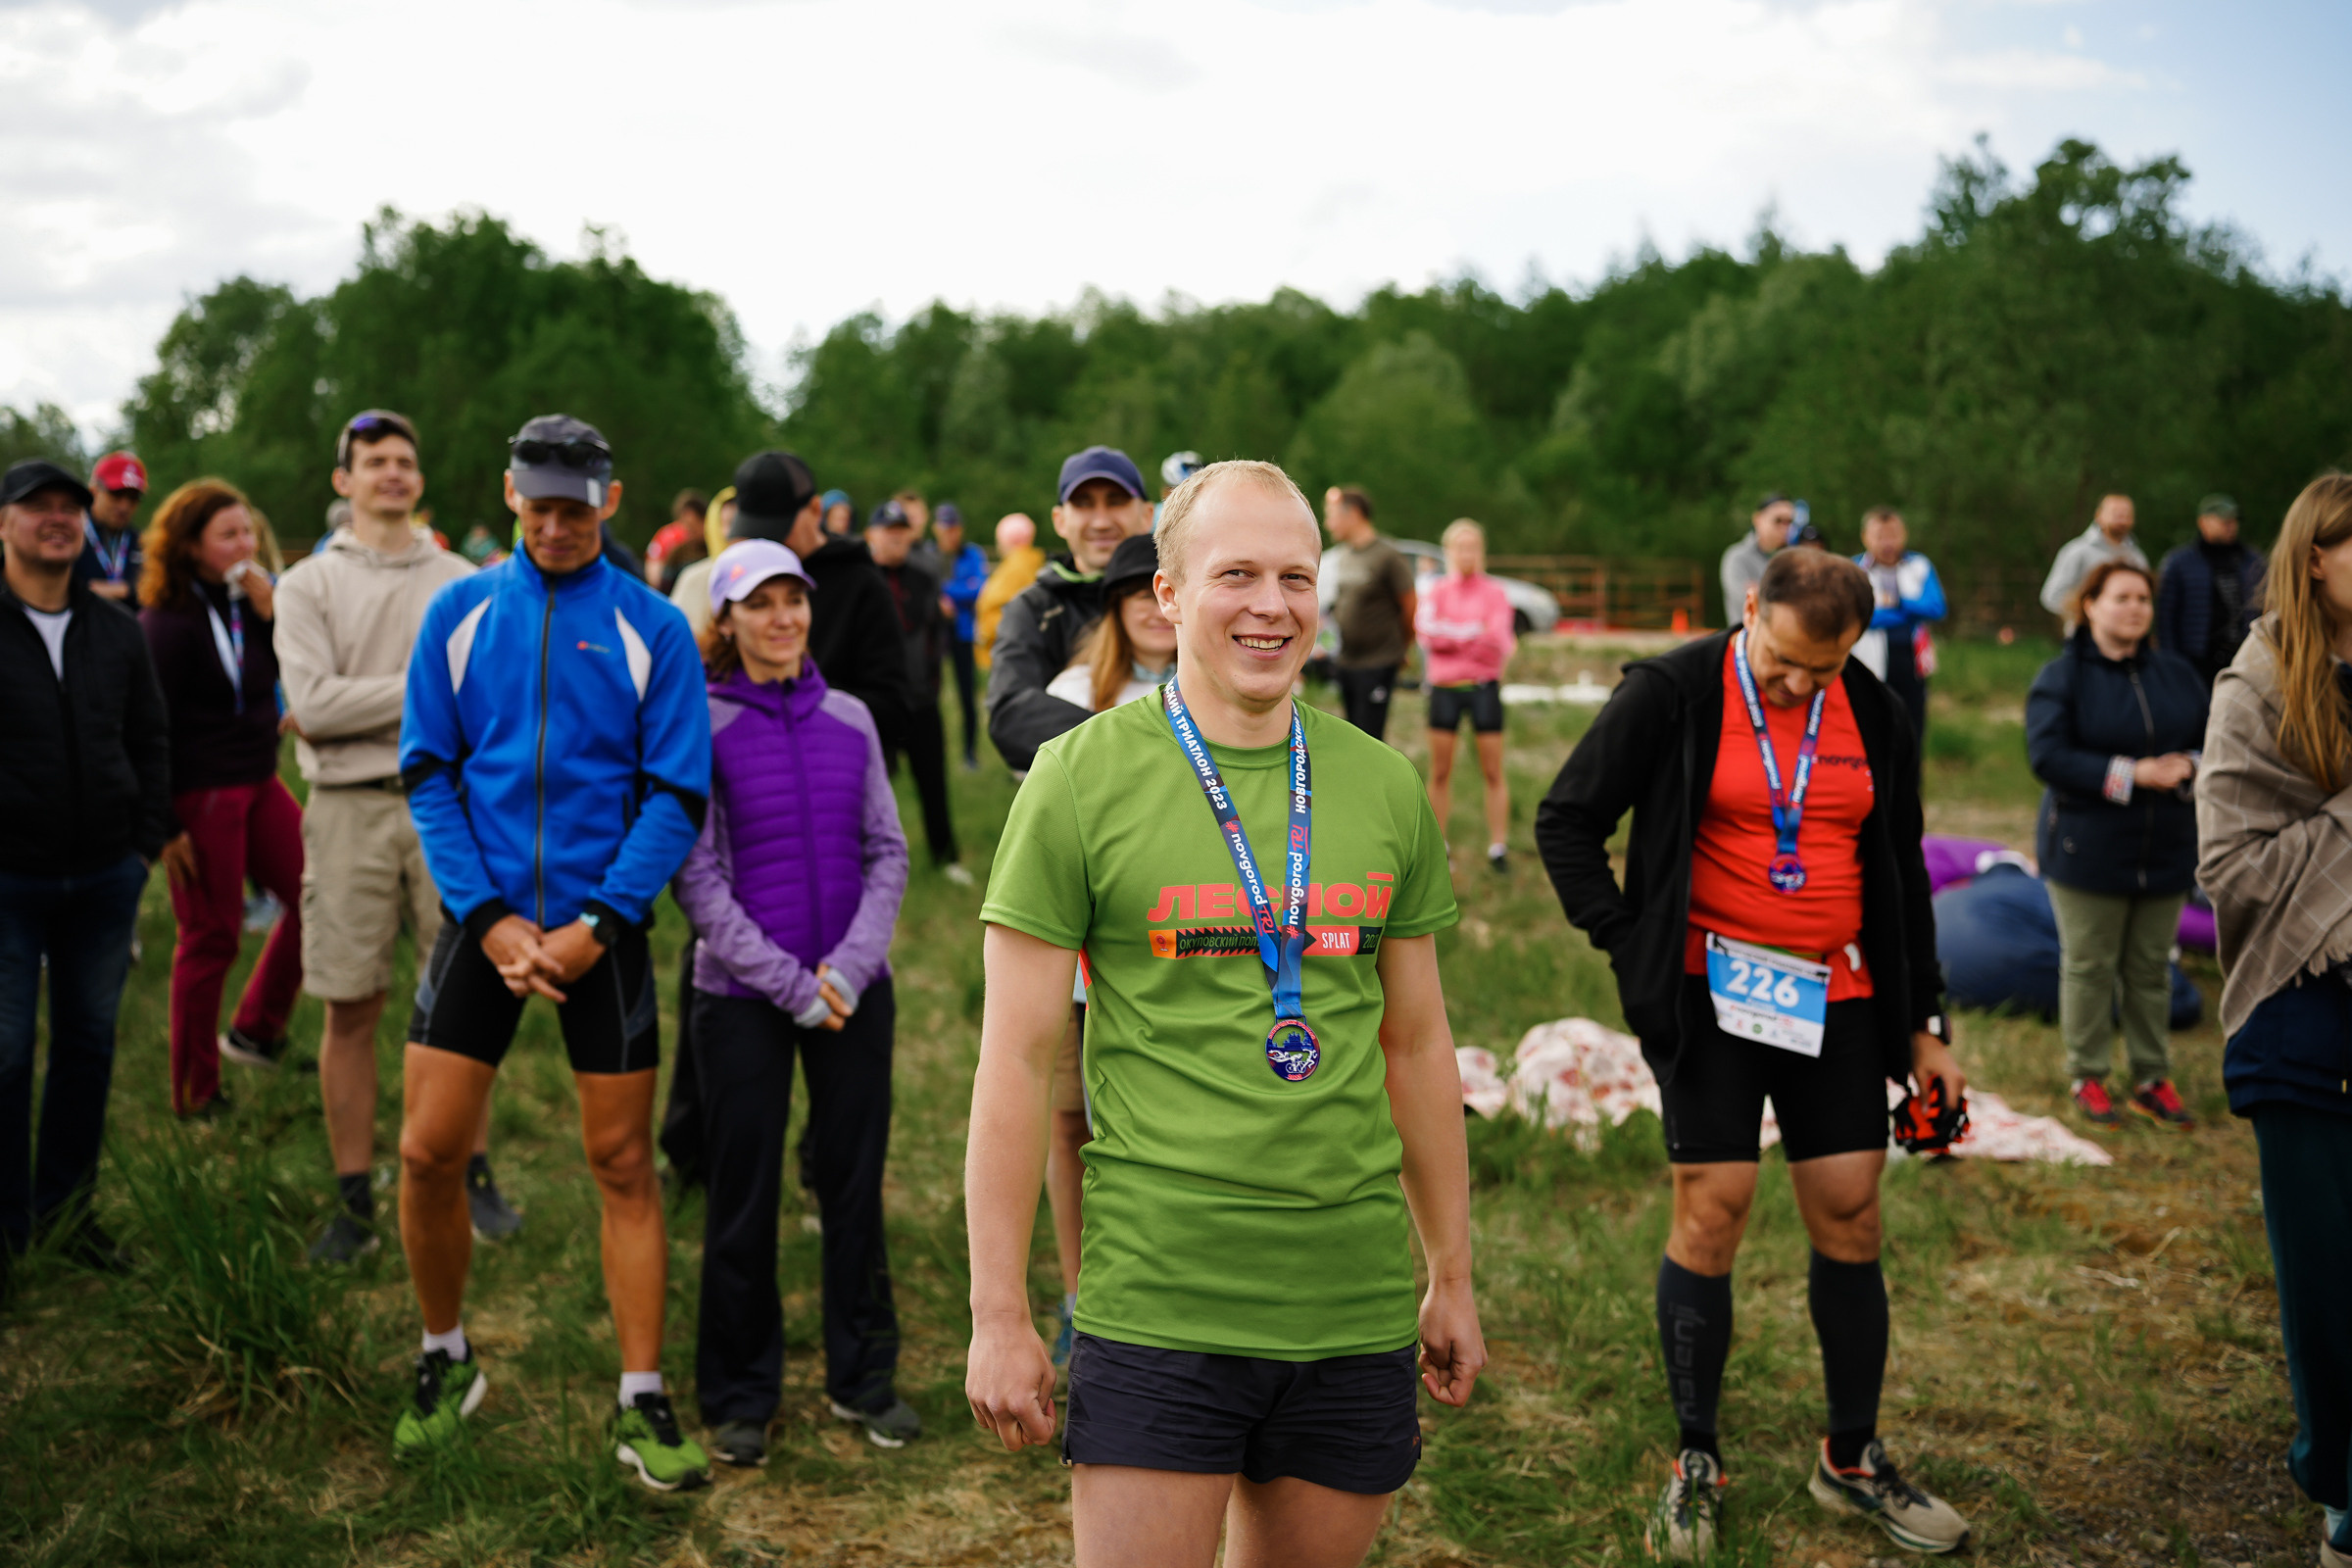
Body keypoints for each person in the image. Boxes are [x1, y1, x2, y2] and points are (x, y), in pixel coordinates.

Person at [966, 460, 1484, 1568]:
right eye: (1235, 574)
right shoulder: (1076, 777)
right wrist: (1000, 1314)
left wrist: (1452, 1271)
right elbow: (1013, 1062)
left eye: (1296, 576)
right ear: (1167, 595)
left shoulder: (1384, 784)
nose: (1271, 604)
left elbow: (1417, 1043)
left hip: (1349, 1303)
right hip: (1162, 1301)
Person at [1534, 549, 1971, 1559]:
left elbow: (1902, 868)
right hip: (1710, 995)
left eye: (1826, 667)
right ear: (1749, 611)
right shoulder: (1674, 690)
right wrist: (1628, 934)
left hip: (1844, 995)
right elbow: (1568, 818)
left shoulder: (1875, 713)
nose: (1801, 684)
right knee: (1713, 1204)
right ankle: (1696, 1457)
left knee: (1852, 1210)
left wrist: (1929, 1025)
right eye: (1783, 660)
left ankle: (1851, 1458)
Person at [394, 415, 712, 1489]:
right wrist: (485, 916)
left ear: (610, 501)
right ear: (512, 493)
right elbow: (429, 769)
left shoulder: (653, 626)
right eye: (541, 502)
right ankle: (446, 1356)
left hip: (600, 933)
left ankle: (643, 1395)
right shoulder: (459, 610)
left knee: (622, 1164)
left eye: (578, 504)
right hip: (481, 925)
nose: (559, 521)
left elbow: (677, 793)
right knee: (428, 1153)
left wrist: (596, 924)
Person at [672, 540, 917, 1463]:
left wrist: (850, 971)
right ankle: (740, 1391)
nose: (782, 618)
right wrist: (785, 982)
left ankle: (864, 1378)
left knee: (853, 1187)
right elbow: (694, 875)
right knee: (745, 1194)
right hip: (742, 997)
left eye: (794, 601)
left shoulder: (850, 717)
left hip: (852, 993)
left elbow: (887, 853)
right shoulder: (699, 723)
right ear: (727, 620)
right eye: (760, 603)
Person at [274, 410, 515, 1264]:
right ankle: (352, 1196)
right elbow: (312, 708)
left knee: (465, 999)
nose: (390, 473)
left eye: (404, 460)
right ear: (344, 480)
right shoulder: (308, 584)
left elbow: (487, 702)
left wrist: (361, 699)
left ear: (420, 478)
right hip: (346, 811)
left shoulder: (464, 578)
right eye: (372, 461)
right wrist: (424, 685)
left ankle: (472, 1174)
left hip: (450, 808)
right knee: (351, 1003)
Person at [2195, 471, 2352, 1568]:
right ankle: (2340, 1478)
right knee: (2327, 1278)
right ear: (2316, 561)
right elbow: (2228, 866)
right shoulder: (2256, 689)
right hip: (2302, 1019)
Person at [0, 459, 170, 1290]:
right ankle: (6, 1227)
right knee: (3, 1054)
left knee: (87, 1047)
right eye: (39, 507)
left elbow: (151, 738)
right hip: (9, 881)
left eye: (71, 506)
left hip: (105, 876)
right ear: (5, 524)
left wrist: (144, 848)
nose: (59, 518)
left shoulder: (117, 633)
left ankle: (68, 1217)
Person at [1029, 531, 1175, 1371]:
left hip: (1166, 960)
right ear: (1116, 609)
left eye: (1163, 594)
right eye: (1136, 598)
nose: (1153, 613)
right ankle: (1082, 1299)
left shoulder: (1217, 692)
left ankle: (1150, 1298)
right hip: (1079, 963)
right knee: (1068, 1122)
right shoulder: (1075, 693)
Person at [136, 479, 304, 1116]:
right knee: (212, 937)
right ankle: (194, 1092)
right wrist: (162, 822)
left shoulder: (250, 604)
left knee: (317, 892)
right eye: (228, 535)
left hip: (260, 780)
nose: (246, 546)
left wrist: (272, 616)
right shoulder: (167, 623)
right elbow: (145, 730)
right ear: (189, 547)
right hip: (201, 796)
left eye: (249, 532)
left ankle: (257, 1029)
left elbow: (284, 675)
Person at [2025, 560, 2206, 1130]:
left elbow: (2214, 739)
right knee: (2090, 965)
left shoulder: (2178, 675)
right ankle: (2089, 1074)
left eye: (2143, 599)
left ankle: (2152, 1076)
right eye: (2121, 597)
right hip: (2088, 849)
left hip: (2168, 849)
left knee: (2152, 966)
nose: (2134, 608)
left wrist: (2192, 766)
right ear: (2090, 606)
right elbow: (2048, 757)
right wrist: (2132, 773)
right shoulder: (2062, 676)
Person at [984, 447, 1154, 771]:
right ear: (1060, 521)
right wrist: (1141, 748)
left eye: (1116, 501)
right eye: (1084, 504)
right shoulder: (1033, 609)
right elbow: (1011, 713)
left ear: (1147, 515)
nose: (1101, 521)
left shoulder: (1180, 595)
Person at [866, 500, 964, 879]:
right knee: (870, 788)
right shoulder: (864, 581)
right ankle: (870, 864)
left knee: (933, 781)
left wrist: (932, 682)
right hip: (878, 701)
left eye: (901, 532)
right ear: (871, 536)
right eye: (887, 532)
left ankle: (946, 857)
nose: (895, 539)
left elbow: (934, 635)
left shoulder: (924, 578)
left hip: (922, 699)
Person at [1416, 518, 1516, 874]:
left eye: (1473, 546)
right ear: (1448, 551)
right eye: (1460, 547)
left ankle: (1498, 846)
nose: (1466, 554)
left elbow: (1500, 642)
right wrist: (1473, 633)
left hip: (1484, 688)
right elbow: (1427, 634)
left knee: (1492, 769)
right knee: (1440, 770)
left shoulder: (1495, 594)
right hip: (1444, 689)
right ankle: (1439, 844)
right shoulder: (1436, 592)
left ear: (1482, 551)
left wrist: (1454, 638)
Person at [1320, 486, 1416, 742]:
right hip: (1347, 662)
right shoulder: (1344, 556)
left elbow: (1409, 606)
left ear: (1353, 514)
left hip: (1377, 662)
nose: (1328, 524)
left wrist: (1403, 645)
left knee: (1370, 738)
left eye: (1332, 515)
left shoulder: (1387, 555)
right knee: (1352, 736)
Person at [1849, 508, 1946, 746]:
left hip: (1912, 662)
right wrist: (1909, 613)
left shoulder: (1920, 566)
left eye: (1893, 535)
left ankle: (1910, 780)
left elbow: (1936, 608)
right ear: (1865, 536)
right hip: (1869, 663)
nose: (1887, 543)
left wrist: (1899, 604)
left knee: (1912, 727)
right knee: (1873, 726)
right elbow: (1860, 616)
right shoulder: (1854, 570)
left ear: (1904, 534)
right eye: (1880, 536)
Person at [2157, 493, 2266, 687]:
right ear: (2203, 522)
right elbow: (2166, 619)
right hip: (2196, 663)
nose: (2230, 525)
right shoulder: (2179, 563)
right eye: (2224, 520)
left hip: (2244, 657)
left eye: (2233, 520)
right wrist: (2171, 664)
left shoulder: (2253, 562)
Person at [922, 503, 989, 770]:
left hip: (962, 633)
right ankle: (931, 751)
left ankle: (970, 753)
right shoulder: (928, 554)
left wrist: (945, 594)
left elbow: (979, 588)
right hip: (935, 633)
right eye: (945, 528)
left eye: (954, 528)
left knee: (966, 694)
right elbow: (923, 588)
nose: (950, 534)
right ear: (936, 529)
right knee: (929, 695)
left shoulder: (972, 554)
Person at [2040, 494, 2149, 622]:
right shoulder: (2077, 551)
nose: (2122, 520)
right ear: (2098, 515)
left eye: (2127, 515)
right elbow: (2052, 596)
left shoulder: (2137, 557)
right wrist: (2086, 614)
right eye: (2117, 514)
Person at [974, 512, 1044, 673]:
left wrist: (985, 631)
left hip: (1008, 650)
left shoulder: (1014, 569)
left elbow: (1003, 608)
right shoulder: (1031, 563)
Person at [72, 451, 145, 603]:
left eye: (133, 498)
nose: (124, 506)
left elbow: (158, 591)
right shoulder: (71, 532)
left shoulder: (143, 543)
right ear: (94, 491)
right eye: (116, 494)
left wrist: (125, 590)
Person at [1719, 492, 1795, 622]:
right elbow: (1749, 604)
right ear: (1758, 519)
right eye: (1778, 520)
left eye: (1789, 522)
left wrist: (1760, 591)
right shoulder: (1737, 557)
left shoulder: (1791, 559)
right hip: (1747, 639)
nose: (1785, 527)